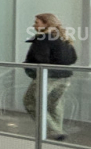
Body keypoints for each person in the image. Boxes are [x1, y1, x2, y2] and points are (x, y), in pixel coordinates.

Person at [23, 13, 77, 141]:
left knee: (32, 102)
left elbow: (40, 59)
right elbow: (73, 58)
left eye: (37, 22)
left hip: (48, 76)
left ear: (46, 24)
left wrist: (28, 65)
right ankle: (57, 132)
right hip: (64, 77)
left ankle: (54, 131)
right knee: (54, 104)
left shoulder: (43, 39)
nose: (34, 25)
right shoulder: (62, 38)